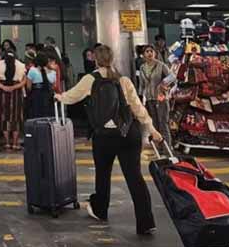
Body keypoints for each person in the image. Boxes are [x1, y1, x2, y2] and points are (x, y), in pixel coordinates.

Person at [56, 45, 163, 236]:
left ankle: (100, 210)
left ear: (96, 60)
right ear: (112, 59)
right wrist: (152, 129)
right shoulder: (124, 80)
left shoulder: (90, 79)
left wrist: (58, 97)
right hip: (128, 133)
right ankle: (146, 222)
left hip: (104, 136)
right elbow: (138, 108)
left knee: (103, 174)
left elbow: (71, 97)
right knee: (135, 178)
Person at [136, 45, 174, 144]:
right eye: (147, 51)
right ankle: (159, 148)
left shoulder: (161, 65)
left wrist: (163, 83)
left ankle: (167, 148)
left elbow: (172, 76)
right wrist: (140, 97)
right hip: (149, 99)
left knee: (163, 124)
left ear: (155, 53)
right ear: (143, 54)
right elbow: (142, 84)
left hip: (161, 98)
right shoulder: (142, 68)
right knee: (154, 125)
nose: (149, 53)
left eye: (151, 51)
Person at [0, 50, 26, 150]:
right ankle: (15, 143)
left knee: (4, 117)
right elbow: (24, 81)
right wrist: (14, 87)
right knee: (16, 117)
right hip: (16, 93)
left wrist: (3, 87)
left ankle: (7, 143)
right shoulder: (21, 65)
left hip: (2, 93)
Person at [25, 51, 58, 120]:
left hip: (36, 97)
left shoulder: (32, 70)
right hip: (48, 98)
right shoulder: (53, 73)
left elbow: (28, 87)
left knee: (36, 118)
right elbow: (54, 87)